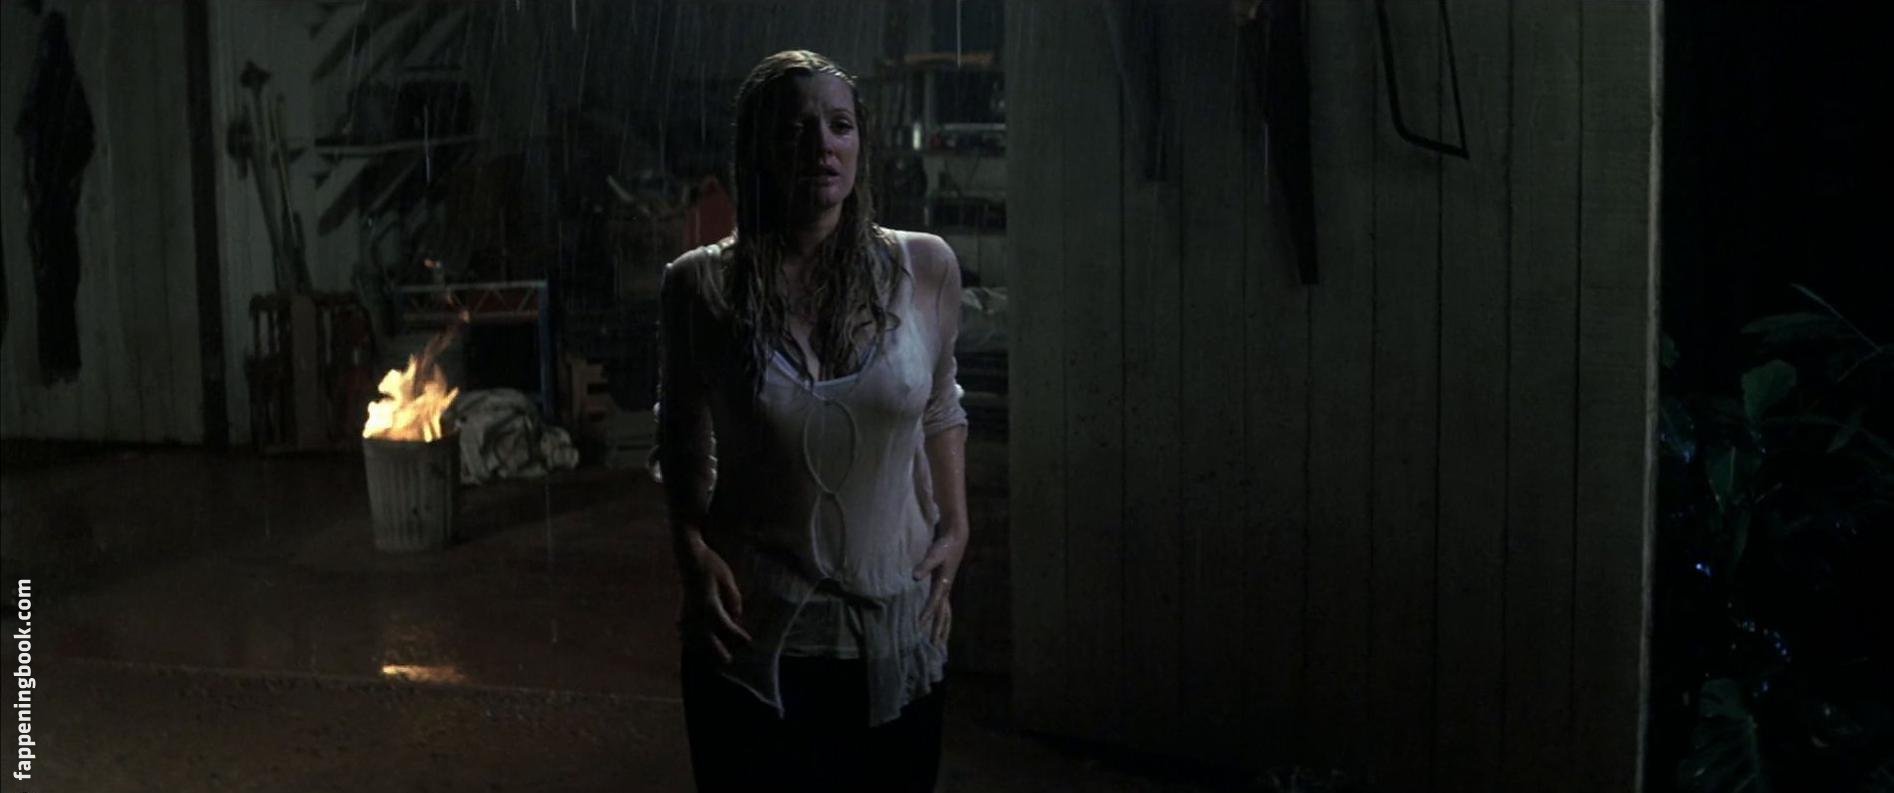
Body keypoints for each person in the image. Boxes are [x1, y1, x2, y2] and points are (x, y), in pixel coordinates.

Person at [652, 50, 969, 792]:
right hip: (750, 633)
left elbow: (940, 402)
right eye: (795, 129)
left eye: (839, 126)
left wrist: (957, 526)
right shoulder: (699, 285)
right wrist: (689, 549)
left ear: (860, 143)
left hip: (895, 632)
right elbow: (682, 434)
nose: (822, 146)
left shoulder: (926, 267)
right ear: (756, 149)